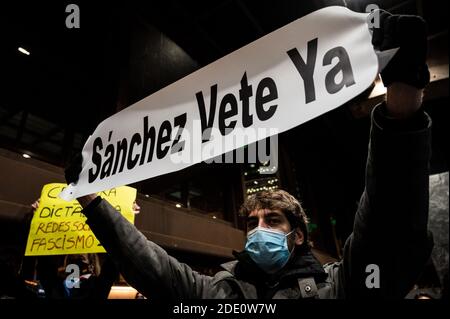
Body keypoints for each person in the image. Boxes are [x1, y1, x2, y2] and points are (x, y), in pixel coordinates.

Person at [64, 11, 433, 299]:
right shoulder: (216, 292)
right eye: (253, 223)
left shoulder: (338, 287)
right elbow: (149, 264)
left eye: (272, 221)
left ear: (299, 236)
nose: (259, 231)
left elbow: (387, 227)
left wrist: (402, 110)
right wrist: (91, 198)